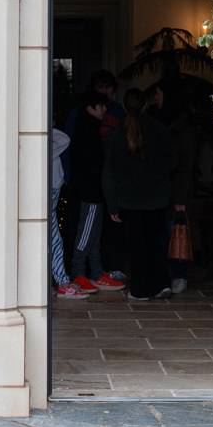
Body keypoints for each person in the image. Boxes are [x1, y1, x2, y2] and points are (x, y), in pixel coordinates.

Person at [103, 87, 174, 301]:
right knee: (157, 244)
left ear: (124, 106)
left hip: (129, 200)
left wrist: (112, 203)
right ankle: (161, 284)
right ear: (146, 104)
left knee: (136, 247)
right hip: (157, 197)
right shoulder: (160, 130)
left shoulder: (118, 134)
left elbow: (110, 172)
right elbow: (173, 161)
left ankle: (140, 289)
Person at [64, 90, 125, 293]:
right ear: (91, 108)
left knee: (93, 233)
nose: (105, 109)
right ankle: (79, 274)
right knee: (86, 233)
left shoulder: (87, 128)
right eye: (101, 105)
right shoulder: (87, 131)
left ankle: (96, 273)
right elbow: (90, 166)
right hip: (90, 193)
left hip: (92, 192)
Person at [153, 82, 197, 295]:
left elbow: (185, 166)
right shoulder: (167, 124)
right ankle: (171, 275)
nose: (156, 99)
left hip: (176, 193)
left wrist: (181, 198)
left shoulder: (181, 129)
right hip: (165, 191)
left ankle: (179, 275)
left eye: (159, 95)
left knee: (176, 234)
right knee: (168, 234)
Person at [48, 128, 87, 300]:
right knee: (54, 238)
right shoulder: (47, 148)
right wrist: (44, 125)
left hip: (51, 191)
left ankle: (58, 282)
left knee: (53, 238)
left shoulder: (48, 147)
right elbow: (65, 139)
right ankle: (62, 283)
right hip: (50, 192)